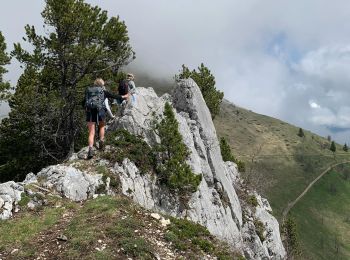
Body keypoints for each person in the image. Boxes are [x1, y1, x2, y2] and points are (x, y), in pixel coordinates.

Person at [84, 78, 127, 159]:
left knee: (91, 133)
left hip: (90, 113)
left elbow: (84, 102)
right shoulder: (103, 91)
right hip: (100, 111)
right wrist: (124, 96)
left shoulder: (88, 91)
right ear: (102, 85)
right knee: (101, 126)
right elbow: (114, 96)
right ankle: (101, 141)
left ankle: (90, 150)